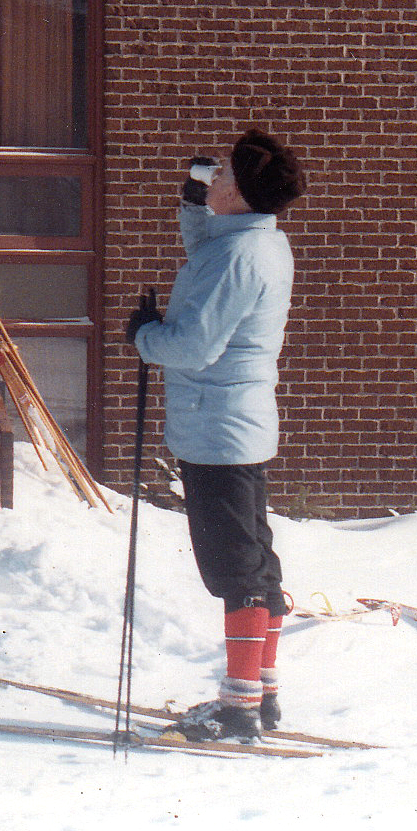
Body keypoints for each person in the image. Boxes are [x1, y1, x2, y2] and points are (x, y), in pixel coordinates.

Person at [129, 130, 306, 743]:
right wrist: (191, 200)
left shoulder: (239, 259)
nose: (216, 177)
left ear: (245, 193)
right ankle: (263, 694)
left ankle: (238, 711)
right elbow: (208, 245)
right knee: (256, 561)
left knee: (235, 571)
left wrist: (145, 337)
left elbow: (195, 346)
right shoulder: (260, 241)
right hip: (238, 425)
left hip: (217, 429)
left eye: (224, 174)